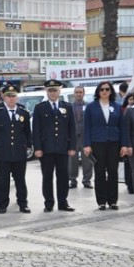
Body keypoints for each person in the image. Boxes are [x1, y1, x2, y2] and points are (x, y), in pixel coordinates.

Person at [32, 80, 76, 212]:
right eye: (50, 90)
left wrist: (72, 146)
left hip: (62, 148)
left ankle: (63, 202)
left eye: (55, 90)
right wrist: (38, 148)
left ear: (59, 91)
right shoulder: (40, 107)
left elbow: (71, 128)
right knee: (47, 177)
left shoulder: (67, 106)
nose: (52, 93)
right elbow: (36, 130)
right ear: (46, 91)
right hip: (46, 149)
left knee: (63, 176)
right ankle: (49, 203)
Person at [0, 84, 32, 214]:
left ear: (17, 98)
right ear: (4, 97)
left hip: (19, 152)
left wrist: (29, 146)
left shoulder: (23, 112)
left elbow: (27, 132)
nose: (11, 99)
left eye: (13, 96)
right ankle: (3, 204)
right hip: (3, 152)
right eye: (8, 96)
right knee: (3, 180)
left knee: (20, 180)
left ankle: (23, 203)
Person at [83, 81, 123, 210]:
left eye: (107, 89)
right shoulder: (91, 107)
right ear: (98, 92)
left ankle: (113, 201)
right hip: (97, 142)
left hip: (114, 143)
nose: (104, 91)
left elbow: (122, 127)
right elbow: (86, 127)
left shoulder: (117, 107)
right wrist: (87, 145)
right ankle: (101, 201)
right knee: (99, 172)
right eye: (102, 89)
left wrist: (124, 145)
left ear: (111, 91)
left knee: (112, 172)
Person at [68, 86, 93, 189]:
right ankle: (72, 180)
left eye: (80, 92)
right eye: (77, 92)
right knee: (72, 160)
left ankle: (87, 180)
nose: (78, 94)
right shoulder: (69, 107)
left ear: (83, 94)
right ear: (74, 94)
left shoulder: (89, 106)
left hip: (85, 136)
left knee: (87, 159)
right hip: (73, 137)